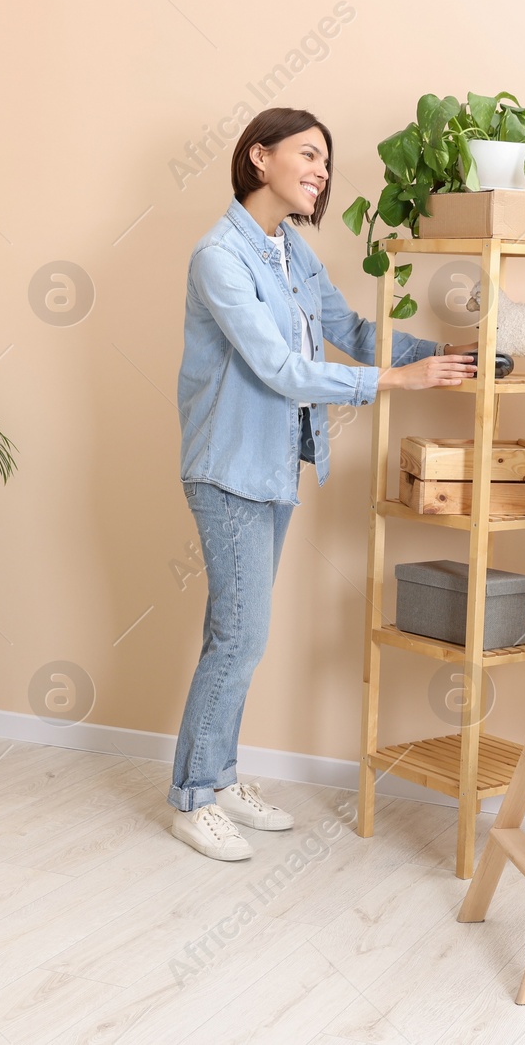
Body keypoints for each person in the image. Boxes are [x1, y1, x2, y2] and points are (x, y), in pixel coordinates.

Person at [170, 107, 478, 861]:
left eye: (327, 162)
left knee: (238, 633)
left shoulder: (289, 252)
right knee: (240, 637)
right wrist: (395, 380)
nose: (322, 171)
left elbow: (352, 327)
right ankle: (192, 797)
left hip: (272, 467)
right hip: (229, 468)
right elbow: (280, 368)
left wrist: (448, 352)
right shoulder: (221, 256)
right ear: (258, 157)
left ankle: (222, 775)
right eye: (308, 155)